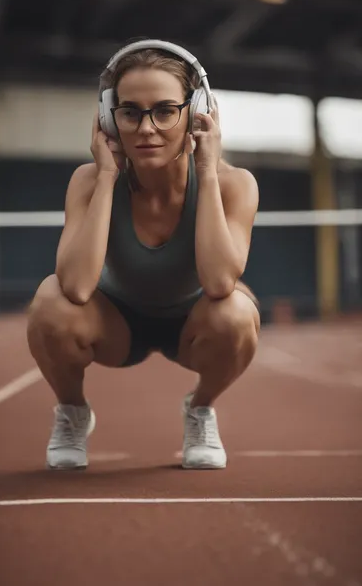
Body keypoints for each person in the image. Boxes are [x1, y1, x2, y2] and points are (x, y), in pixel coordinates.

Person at [27, 39, 260, 471]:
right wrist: (107, 177)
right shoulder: (88, 180)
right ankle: (74, 413)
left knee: (237, 313)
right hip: (116, 325)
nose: (146, 128)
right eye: (130, 112)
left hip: (194, 324)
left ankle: (200, 409)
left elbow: (219, 283)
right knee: (49, 301)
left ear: (195, 113)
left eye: (165, 110)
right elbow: (76, 287)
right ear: (108, 119)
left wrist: (206, 170)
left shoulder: (234, 183)